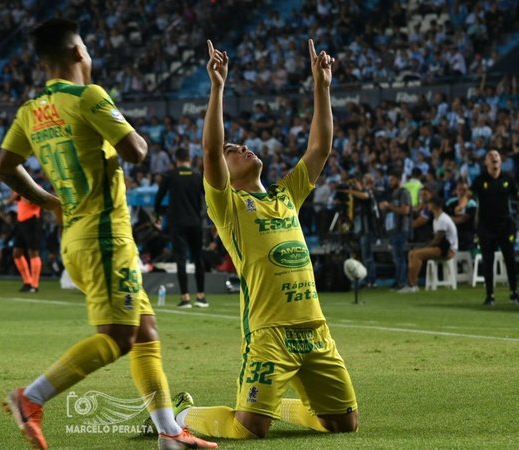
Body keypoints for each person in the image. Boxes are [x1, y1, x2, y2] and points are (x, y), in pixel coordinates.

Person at [0, 18, 216, 450]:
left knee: (146, 333)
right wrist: (119, 128)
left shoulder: (31, 111)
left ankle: (170, 434)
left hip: (79, 236)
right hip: (104, 239)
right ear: (78, 53)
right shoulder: (89, 96)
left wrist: (50, 201)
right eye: (88, 50)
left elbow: (5, 166)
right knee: (118, 338)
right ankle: (31, 398)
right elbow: (137, 150)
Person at [170, 39, 358, 440]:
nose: (240, 147)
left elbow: (320, 149)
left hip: (315, 330)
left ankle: (284, 405)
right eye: (231, 150)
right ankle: (183, 416)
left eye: (240, 145)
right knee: (249, 429)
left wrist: (322, 88)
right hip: (269, 333)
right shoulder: (229, 206)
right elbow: (208, 150)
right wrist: (218, 87)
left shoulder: (285, 194)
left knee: (343, 424)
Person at [154, 147, 208, 308]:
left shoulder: (170, 175)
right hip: (195, 222)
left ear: (176, 159)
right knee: (198, 257)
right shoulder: (198, 175)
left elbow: (159, 197)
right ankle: (201, 297)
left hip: (177, 222)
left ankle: (185, 298)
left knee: (181, 258)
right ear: (189, 159)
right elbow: (207, 197)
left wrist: (158, 214)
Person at [470, 150, 519, 306]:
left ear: (500, 161)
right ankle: (490, 295)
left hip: (505, 226)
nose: (494, 158)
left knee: (510, 259)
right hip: (486, 227)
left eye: (497, 156)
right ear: (486, 163)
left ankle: (514, 293)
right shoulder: (479, 180)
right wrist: (462, 204)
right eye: (491, 157)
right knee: (488, 261)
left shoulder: (508, 179)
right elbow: (469, 195)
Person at [398, 196, 458, 292]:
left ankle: (412, 285)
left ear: (434, 205)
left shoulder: (443, 219)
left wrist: (423, 248)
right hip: (441, 247)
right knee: (411, 253)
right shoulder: (436, 219)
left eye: (429, 204)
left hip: (448, 250)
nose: (427, 206)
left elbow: (437, 240)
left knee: (417, 254)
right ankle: (411, 283)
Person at [341, 175, 381, 288]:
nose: (354, 186)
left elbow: (365, 196)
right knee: (363, 256)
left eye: (356, 183)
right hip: (359, 230)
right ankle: (365, 280)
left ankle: (371, 281)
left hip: (366, 229)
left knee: (367, 256)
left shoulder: (367, 191)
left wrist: (350, 191)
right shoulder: (355, 198)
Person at [379, 169, 412, 290]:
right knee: (395, 257)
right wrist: (385, 208)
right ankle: (398, 281)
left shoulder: (404, 192)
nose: (390, 182)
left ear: (398, 179)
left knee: (399, 257)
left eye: (392, 179)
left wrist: (389, 206)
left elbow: (405, 210)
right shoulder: (393, 193)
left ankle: (402, 282)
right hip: (393, 229)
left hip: (401, 229)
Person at [9, 191, 43, 293]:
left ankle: (35, 284)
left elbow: (31, 202)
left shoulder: (35, 187)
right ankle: (27, 281)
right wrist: (16, 193)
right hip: (21, 223)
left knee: (33, 252)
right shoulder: (17, 188)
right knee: (16, 253)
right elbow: (9, 202)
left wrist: (22, 193)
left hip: (32, 221)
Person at [445, 181, 477, 251]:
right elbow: (444, 217)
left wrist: (450, 219)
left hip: (467, 233)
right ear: (456, 191)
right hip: (452, 232)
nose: (462, 192)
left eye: (464, 190)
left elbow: (463, 219)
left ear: (468, 191)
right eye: (459, 189)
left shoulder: (472, 203)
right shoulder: (450, 202)